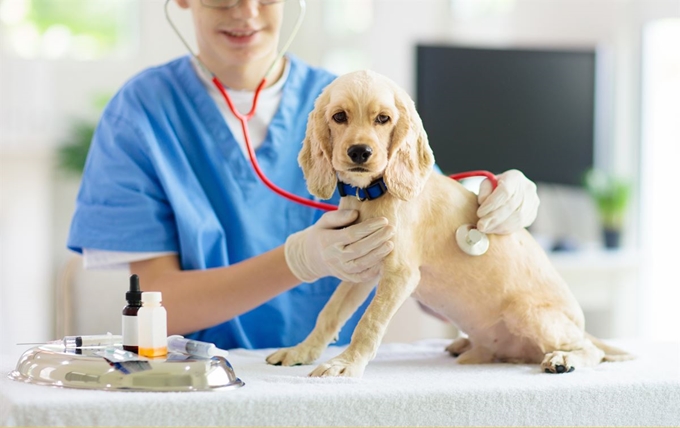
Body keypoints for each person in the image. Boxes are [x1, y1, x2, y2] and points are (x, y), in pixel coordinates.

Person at [67, 0, 540, 350]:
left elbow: (430, 261)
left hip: (329, 376)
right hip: (202, 378)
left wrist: (493, 205)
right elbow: (160, 304)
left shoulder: (348, 101)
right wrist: (299, 259)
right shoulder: (143, 113)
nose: (245, 12)